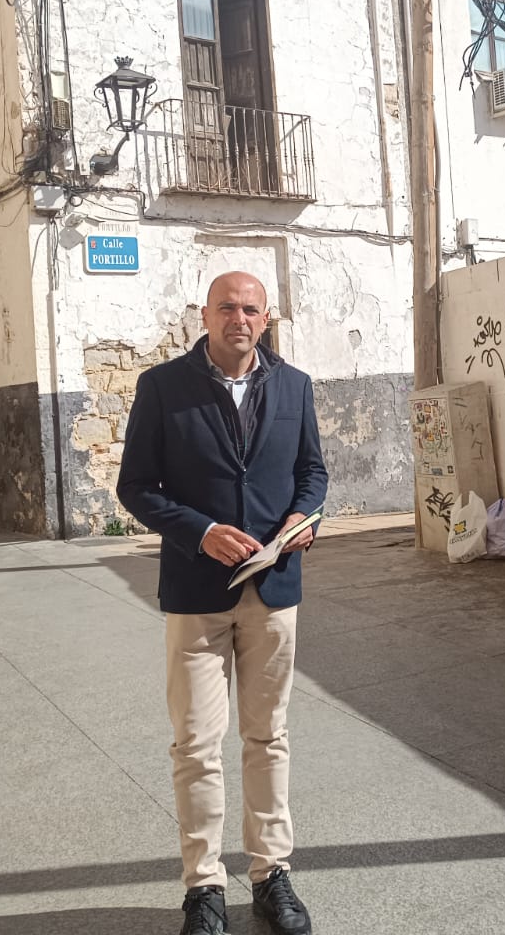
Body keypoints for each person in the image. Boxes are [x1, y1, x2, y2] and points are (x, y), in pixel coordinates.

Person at [117, 271, 327, 935]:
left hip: (274, 588)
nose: (239, 318)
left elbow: (313, 473)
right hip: (197, 594)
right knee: (196, 744)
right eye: (226, 307)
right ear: (203, 315)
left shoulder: (293, 386)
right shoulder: (162, 388)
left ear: (266, 319)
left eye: (251, 309)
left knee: (268, 736)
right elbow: (135, 486)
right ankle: (203, 886)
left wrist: (304, 519)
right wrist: (199, 532)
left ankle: (271, 876)